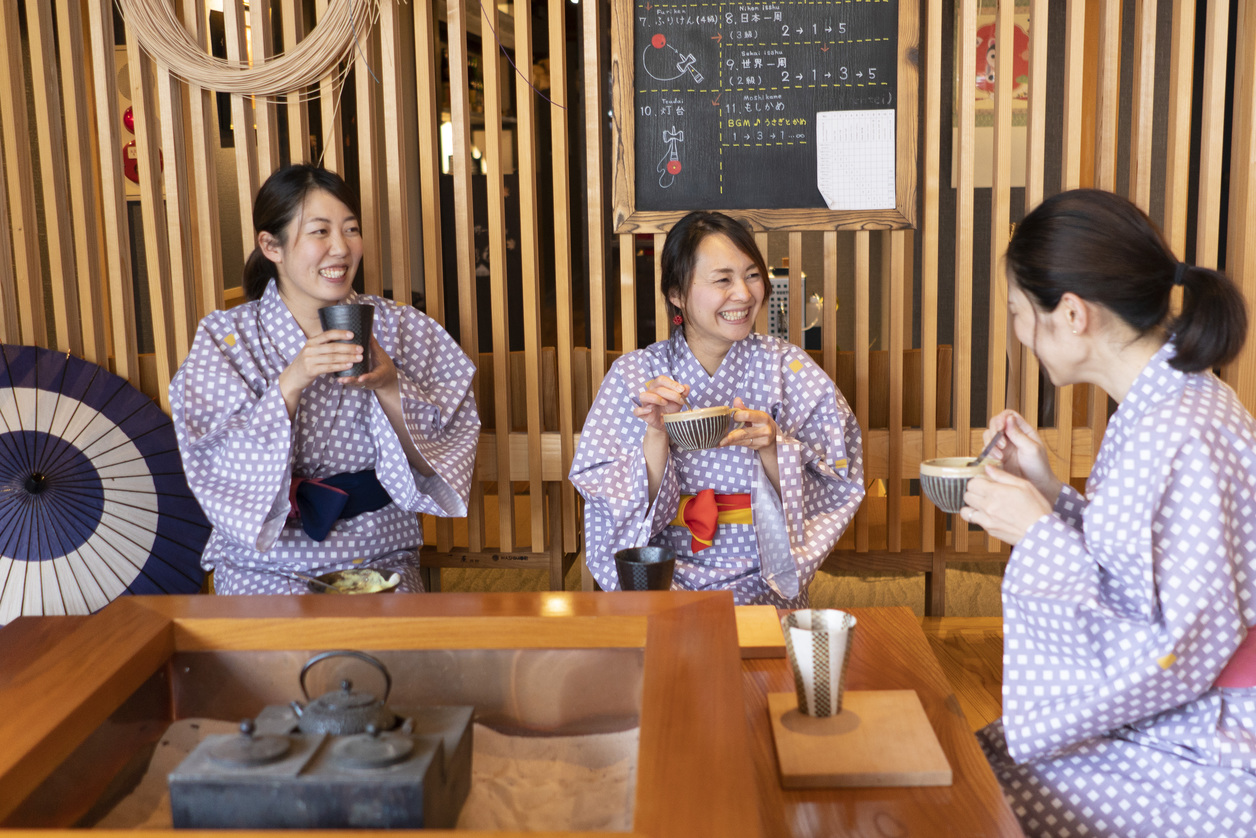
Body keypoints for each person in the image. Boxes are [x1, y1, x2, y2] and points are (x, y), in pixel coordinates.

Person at [960, 188, 1256, 837]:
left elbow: (1180, 649)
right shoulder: (1165, 406)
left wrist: (1036, 533)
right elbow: (1134, 578)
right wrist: (1047, 490)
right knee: (972, 759)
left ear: (1072, 315)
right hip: (1171, 712)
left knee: (979, 795)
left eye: (1018, 312)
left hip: (1213, 741)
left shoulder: (1186, 431)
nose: (1017, 331)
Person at [170, 164, 480, 594]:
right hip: (264, 563)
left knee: (389, 658)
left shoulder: (404, 328)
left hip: (379, 554)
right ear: (270, 245)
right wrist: (291, 382)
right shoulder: (226, 339)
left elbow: (440, 461)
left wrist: (391, 386)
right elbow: (218, 467)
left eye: (351, 230)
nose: (341, 248)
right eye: (320, 232)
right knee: (273, 658)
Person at [570, 211, 864, 606]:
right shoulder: (635, 375)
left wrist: (774, 449)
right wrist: (656, 433)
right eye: (723, 279)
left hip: (763, 574)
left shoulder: (788, 368)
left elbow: (838, 478)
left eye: (752, 274)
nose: (743, 293)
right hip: (663, 576)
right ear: (676, 293)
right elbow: (610, 501)